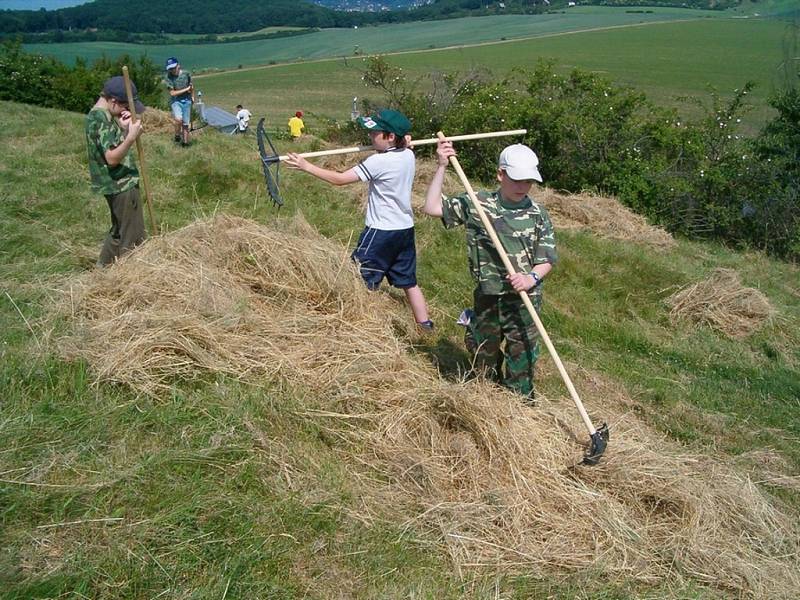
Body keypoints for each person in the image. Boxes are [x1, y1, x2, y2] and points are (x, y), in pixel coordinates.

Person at [423, 141, 557, 399]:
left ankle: (520, 403)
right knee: (484, 350)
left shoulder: (538, 214)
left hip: (523, 299)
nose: (523, 187)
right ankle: (485, 397)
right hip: (488, 293)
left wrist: (530, 278)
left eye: (528, 181)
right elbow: (431, 208)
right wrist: (441, 166)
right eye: (516, 179)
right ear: (500, 174)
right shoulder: (477, 203)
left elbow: (547, 258)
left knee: (523, 353)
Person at [285, 109, 433, 331]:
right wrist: (404, 142)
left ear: (390, 136)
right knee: (409, 282)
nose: (370, 138)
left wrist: (306, 166)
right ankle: (425, 325)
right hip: (404, 230)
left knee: (357, 280)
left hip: (380, 232)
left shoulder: (378, 162)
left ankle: (360, 326)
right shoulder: (408, 156)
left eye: (375, 134)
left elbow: (340, 179)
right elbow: (404, 145)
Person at [85, 75, 146, 267]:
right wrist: (131, 138)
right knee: (133, 237)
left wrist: (123, 128)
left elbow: (107, 144)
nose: (127, 111)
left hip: (112, 185)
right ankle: (130, 275)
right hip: (122, 185)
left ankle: (102, 269)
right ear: (113, 101)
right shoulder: (101, 118)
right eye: (125, 106)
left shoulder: (97, 116)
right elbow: (111, 158)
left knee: (119, 231)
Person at [164, 56, 194, 146]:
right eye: (170, 69)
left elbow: (191, 86)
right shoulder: (168, 77)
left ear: (178, 66)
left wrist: (193, 96)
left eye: (174, 68)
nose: (172, 70)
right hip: (176, 101)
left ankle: (185, 143)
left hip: (187, 100)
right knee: (178, 119)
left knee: (186, 123)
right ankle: (177, 134)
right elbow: (172, 93)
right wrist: (186, 89)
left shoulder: (186, 74)